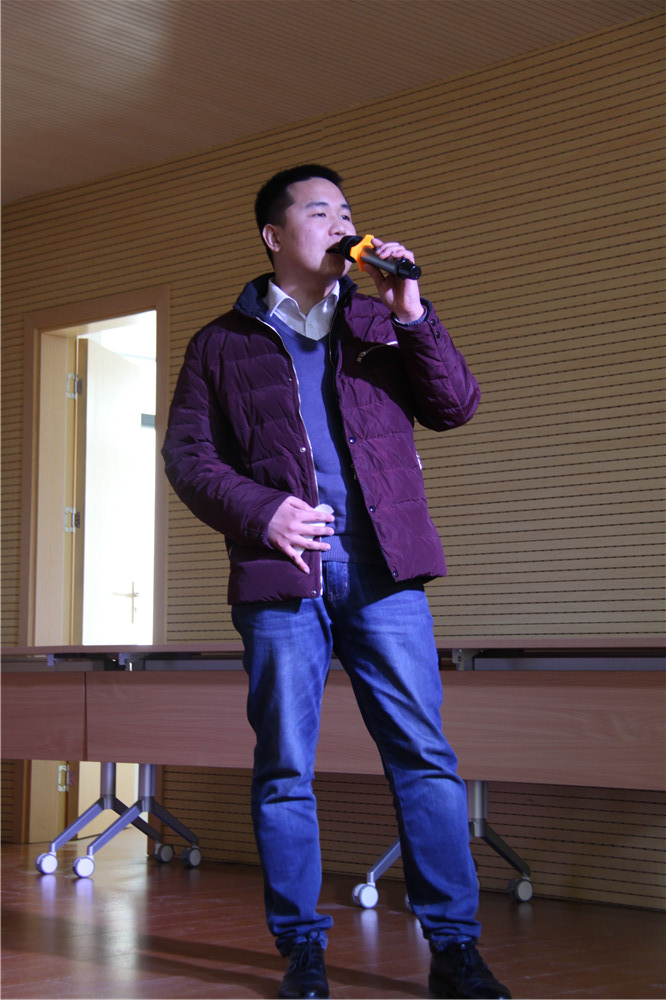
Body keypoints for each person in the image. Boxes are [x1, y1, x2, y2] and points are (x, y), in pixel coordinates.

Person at [162, 164, 511, 1000]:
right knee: (284, 765)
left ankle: (455, 950)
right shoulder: (219, 344)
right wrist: (263, 513)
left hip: (387, 569)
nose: (342, 224)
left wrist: (413, 311)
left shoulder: (380, 321)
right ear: (274, 235)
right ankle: (302, 952)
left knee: (423, 757)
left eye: (347, 211)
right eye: (320, 212)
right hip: (283, 574)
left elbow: (456, 405)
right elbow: (188, 459)